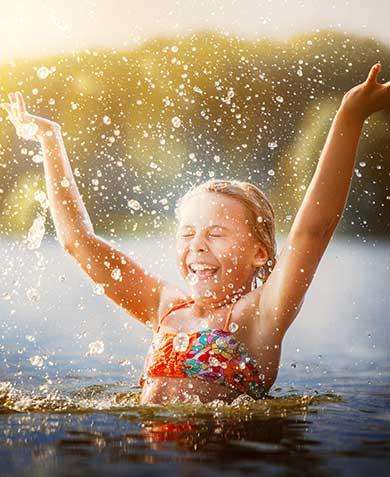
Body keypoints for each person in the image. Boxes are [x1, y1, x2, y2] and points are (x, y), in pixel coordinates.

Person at [1, 63, 389, 405]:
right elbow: (79, 243)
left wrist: (350, 116)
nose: (197, 245)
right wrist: (50, 139)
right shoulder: (165, 306)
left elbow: (313, 230)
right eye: (187, 233)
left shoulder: (260, 315)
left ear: (258, 251)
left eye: (216, 233)